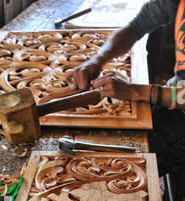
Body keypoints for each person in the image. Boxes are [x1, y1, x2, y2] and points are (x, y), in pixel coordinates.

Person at [68, 0, 185, 177]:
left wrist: (134, 91)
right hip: (173, 96)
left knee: (119, 169)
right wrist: (98, 60)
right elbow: (136, 28)